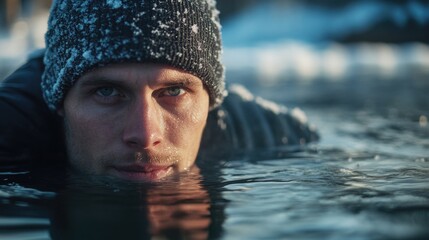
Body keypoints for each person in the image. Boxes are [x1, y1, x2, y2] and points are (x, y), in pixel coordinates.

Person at [0, 0, 318, 182]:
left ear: (211, 101)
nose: (144, 133)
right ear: (58, 103)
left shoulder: (280, 136)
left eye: (175, 91)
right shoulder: (9, 133)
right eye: (108, 92)